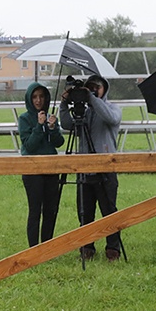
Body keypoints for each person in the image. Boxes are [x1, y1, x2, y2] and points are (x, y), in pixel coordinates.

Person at [60, 74, 123, 262]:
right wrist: (65, 104)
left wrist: (92, 99)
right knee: (85, 211)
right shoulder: (84, 112)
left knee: (109, 211)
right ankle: (87, 247)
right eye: (90, 87)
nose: (94, 90)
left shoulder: (112, 108)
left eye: (97, 87)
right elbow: (67, 125)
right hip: (85, 169)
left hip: (106, 169)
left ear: (105, 89)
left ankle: (113, 248)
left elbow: (110, 118)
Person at [17, 82, 64, 246]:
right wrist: (39, 125)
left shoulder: (50, 117)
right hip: (32, 170)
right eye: (35, 97)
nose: (38, 100)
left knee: (50, 210)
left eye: (41, 97)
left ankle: (47, 245)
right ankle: (33, 248)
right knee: (35, 210)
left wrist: (52, 128)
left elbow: (58, 143)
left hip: (51, 168)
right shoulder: (24, 119)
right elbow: (29, 145)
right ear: (30, 99)